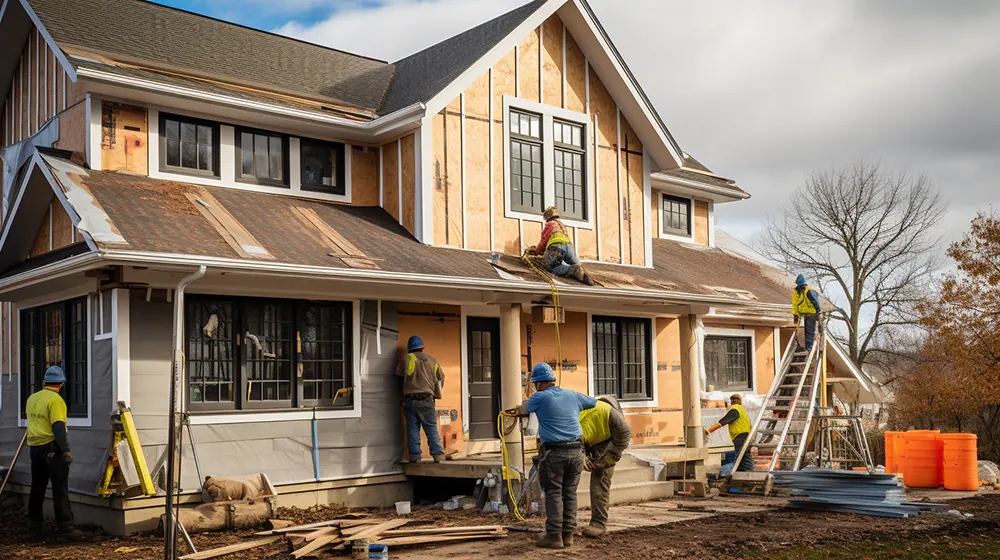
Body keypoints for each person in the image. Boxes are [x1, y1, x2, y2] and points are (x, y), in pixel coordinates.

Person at [510, 363, 596, 550]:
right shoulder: (572, 395)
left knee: (554, 493)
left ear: (538, 383)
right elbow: (593, 402)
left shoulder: (539, 397)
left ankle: (554, 536)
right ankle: (568, 535)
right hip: (576, 451)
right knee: (570, 493)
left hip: (554, 453)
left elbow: (523, 409)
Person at [25, 366, 82, 539]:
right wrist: (65, 450)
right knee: (59, 488)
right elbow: (58, 426)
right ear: (61, 383)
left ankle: (33, 525)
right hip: (52, 448)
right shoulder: (56, 400)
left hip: (35, 448)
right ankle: (65, 527)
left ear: (45, 382)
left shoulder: (32, 398)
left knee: (37, 487)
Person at [579, 395, 632, 538]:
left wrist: (612, 455)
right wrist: (580, 456)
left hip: (607, 439)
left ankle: (598, 523)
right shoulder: (566, 422)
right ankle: (564, 523)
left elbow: (625, 434)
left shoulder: (613, 417)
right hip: (583, 441)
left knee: (600, 479)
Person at [396, 336, 445, 464]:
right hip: (426, 399)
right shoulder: (432, 360)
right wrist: (435, 392)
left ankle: (415, 457)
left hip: (410, 399)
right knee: (430, 427)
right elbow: (441, 378)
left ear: (409, 349)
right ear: (422, 348)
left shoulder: (407, 358)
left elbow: (398, 373)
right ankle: (438, 455)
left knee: (412, 428)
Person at [528, 206, 595, 286]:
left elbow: (544, 241)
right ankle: (583, 273)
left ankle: (573, 270)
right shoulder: (562, 225)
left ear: (546, 217)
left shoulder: (549, 224)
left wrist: (536, 251)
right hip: (569, 247)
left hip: (557, 246)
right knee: (576, 263)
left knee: (551, 267)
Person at [705, 394, 755, 472]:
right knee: (743, 456)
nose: (734, 401)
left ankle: (747, 474)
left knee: (742, 456)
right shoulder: (742, 410)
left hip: (741, 436)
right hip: (745, 435)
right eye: (733, 399)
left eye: (736, 399)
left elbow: (725, 420)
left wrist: (709, 430)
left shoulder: (735, 408)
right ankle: (744, 474)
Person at [792, 274, 821, 350]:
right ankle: (805, 347)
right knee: (803, 332)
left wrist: (818, 313)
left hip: (811, 314)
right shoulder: (797, 293)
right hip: (803, 315)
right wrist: (795, 315)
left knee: (810, 332)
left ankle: (809, 347)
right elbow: (795, 305)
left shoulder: (809, 291)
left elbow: (815, 302)